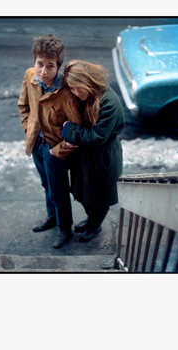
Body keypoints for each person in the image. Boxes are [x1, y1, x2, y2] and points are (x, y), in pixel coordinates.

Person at [17, 34, 83, 248]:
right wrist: (29, 129)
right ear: (34, 62)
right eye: (40, 64)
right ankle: (52, 217)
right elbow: (23, 106)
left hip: (55, 151)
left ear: (59, 67)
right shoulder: (29, 76)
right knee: (46, 184)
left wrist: (57, 151)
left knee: (58, 189)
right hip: (36, 144)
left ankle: (65, 228)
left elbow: (76, 131)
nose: (43, 72)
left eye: (50, 66)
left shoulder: (67, 92)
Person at [52, 59, 125, 242]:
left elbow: (96, 138)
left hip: (102, 157)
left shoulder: (109, 102)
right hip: (85, 156)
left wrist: (68, 130)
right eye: (72, 88)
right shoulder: (87, 95)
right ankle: (91, 220)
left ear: (88, 81)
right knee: (84, 194)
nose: (76, 93)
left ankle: (95, 225)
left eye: (78, 88)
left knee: (99, 198)